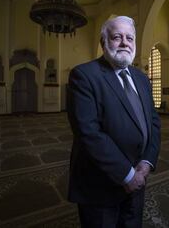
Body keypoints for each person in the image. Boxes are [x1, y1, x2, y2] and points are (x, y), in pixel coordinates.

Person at [66, 15, 161, 228]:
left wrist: (147, 163)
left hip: (139, 178)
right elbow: (88, 132)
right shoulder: (84, 75)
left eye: (130, 38)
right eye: (117, 37)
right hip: (101, 184)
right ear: (104, 42)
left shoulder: (142, 78)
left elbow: (153, 122)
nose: (125, 43)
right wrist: (127, 176)